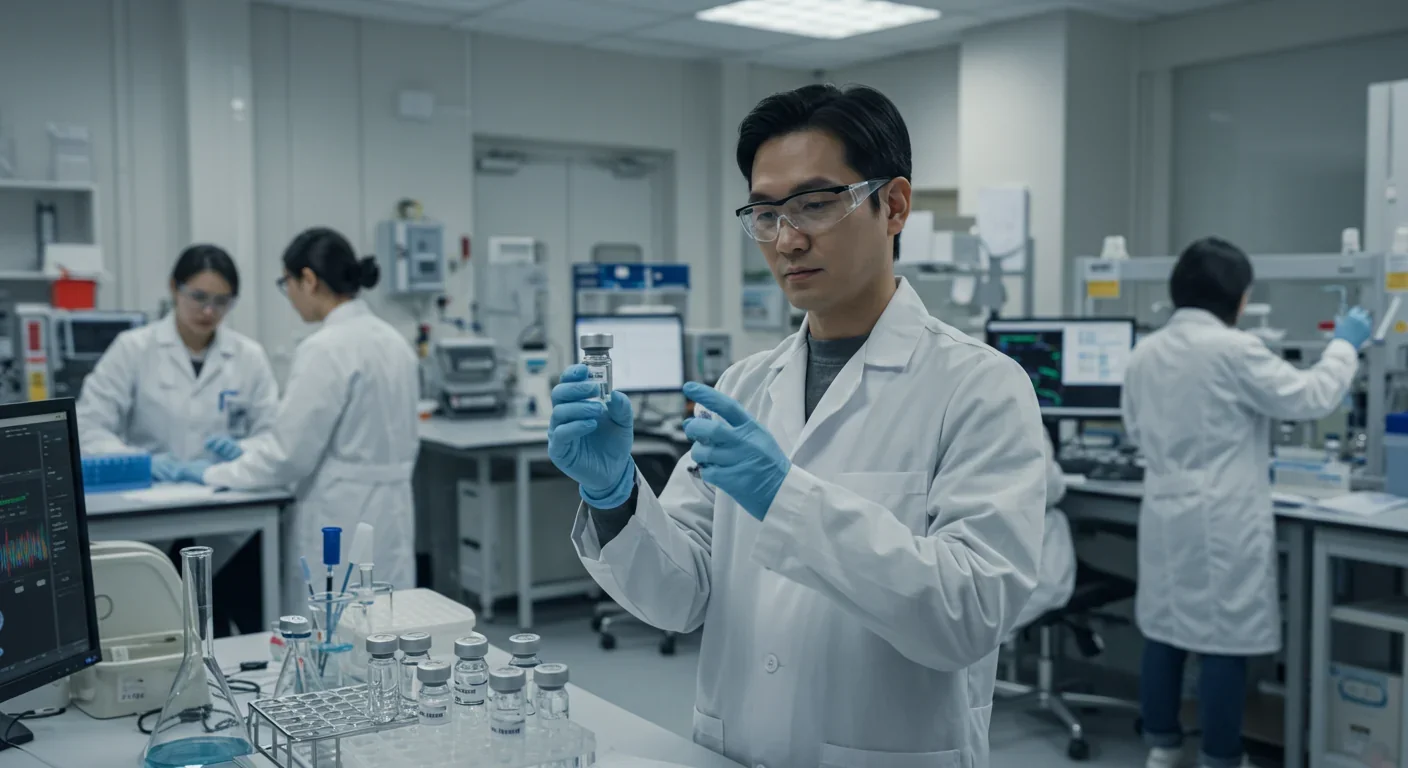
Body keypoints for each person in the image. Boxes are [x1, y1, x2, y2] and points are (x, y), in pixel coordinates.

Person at [549, 84, 1047, 766]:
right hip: (737, 746)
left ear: (893, 205)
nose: (787, 238)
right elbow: (682, 596)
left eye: (817, 204)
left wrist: (787, 500)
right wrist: (615, 497)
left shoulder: (980, 387)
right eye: (765, 212)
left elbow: (970, 615)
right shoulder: (745, 386)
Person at [1122, 237, 1372, 768]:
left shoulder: (1145, 352)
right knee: (1222, 640)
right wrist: (1345, 345)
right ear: (1237, 299)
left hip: (1165, 509)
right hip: (1222, 517)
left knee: (1164, 632)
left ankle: (1162, 748)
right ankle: (1221, 756)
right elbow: (1312, 397)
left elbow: (1135, 428)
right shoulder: (1234, 350)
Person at [192, 228, 420, 613]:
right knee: (388, 627)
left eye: (288, 284)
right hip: (392, 514)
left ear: (308, 280)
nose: (291, 297)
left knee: (333, 635)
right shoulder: (394, 342)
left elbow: (289, 457)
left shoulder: (324, 348)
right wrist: (248, 450)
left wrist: (213, 474)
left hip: (340, 517)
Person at [77, 244, 279, 475]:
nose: (208, 312)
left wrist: (243, 449)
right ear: (174, 288)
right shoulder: (133, 349)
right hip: (151, 493)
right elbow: (89, 426)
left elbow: (271, 434)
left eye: (221, 301)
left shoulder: (249, 357)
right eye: (199, 297)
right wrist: (138, 463)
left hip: (226, 489)